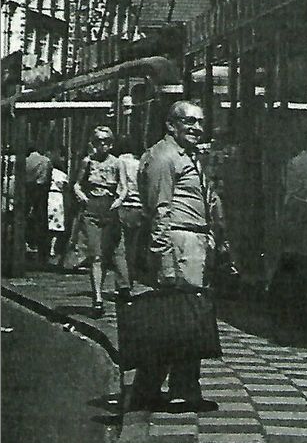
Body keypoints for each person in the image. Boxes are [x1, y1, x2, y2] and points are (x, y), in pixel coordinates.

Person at [131, 101, 219, 413]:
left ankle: (148, 389)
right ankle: (182, 389)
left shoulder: (188, 156)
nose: (197, 127)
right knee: (185, 322)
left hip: (193, 242)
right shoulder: (163, 157)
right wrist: (165, 262)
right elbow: (159, 212)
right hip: (178, 242)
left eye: (200, 122)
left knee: (177, 321)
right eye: (190, 122)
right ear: (171, 125)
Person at [73, 126, 131, 316]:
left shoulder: (117, 163)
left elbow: (123, 187)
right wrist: (82, 196)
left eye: (106, 141)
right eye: (99, 141)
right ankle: (97, 298)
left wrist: (119, 201)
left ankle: (122, 287)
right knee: (96, 256)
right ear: (93, 143)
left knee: (112, 252)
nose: (102, 145)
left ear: (111, 143)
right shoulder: (87, 162)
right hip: (92, 208)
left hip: (110, 208)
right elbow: (77, 183)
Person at [116, 142, 147, 287]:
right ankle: (131, 276)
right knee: (133, 247)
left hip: (123, 206)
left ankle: (123, 283)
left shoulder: (119, 161)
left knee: (120, 248)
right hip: (139, 208)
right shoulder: (141, 162)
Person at [25, 143, 52, 264]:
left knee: (25, 218)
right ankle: (42, 253)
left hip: (27, 189)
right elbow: (48, 177)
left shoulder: (26, 161)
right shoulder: (45, 160)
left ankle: (27, 245)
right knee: (41, 220)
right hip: (41, 189)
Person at [47, 156, 69, 266]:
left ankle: (48, 248)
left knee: (49, 225)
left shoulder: (49, 171)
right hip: (57, 198)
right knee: (56, 227)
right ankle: (52, 249)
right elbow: (63, 185)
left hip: (48, 196)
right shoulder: (60, 174)